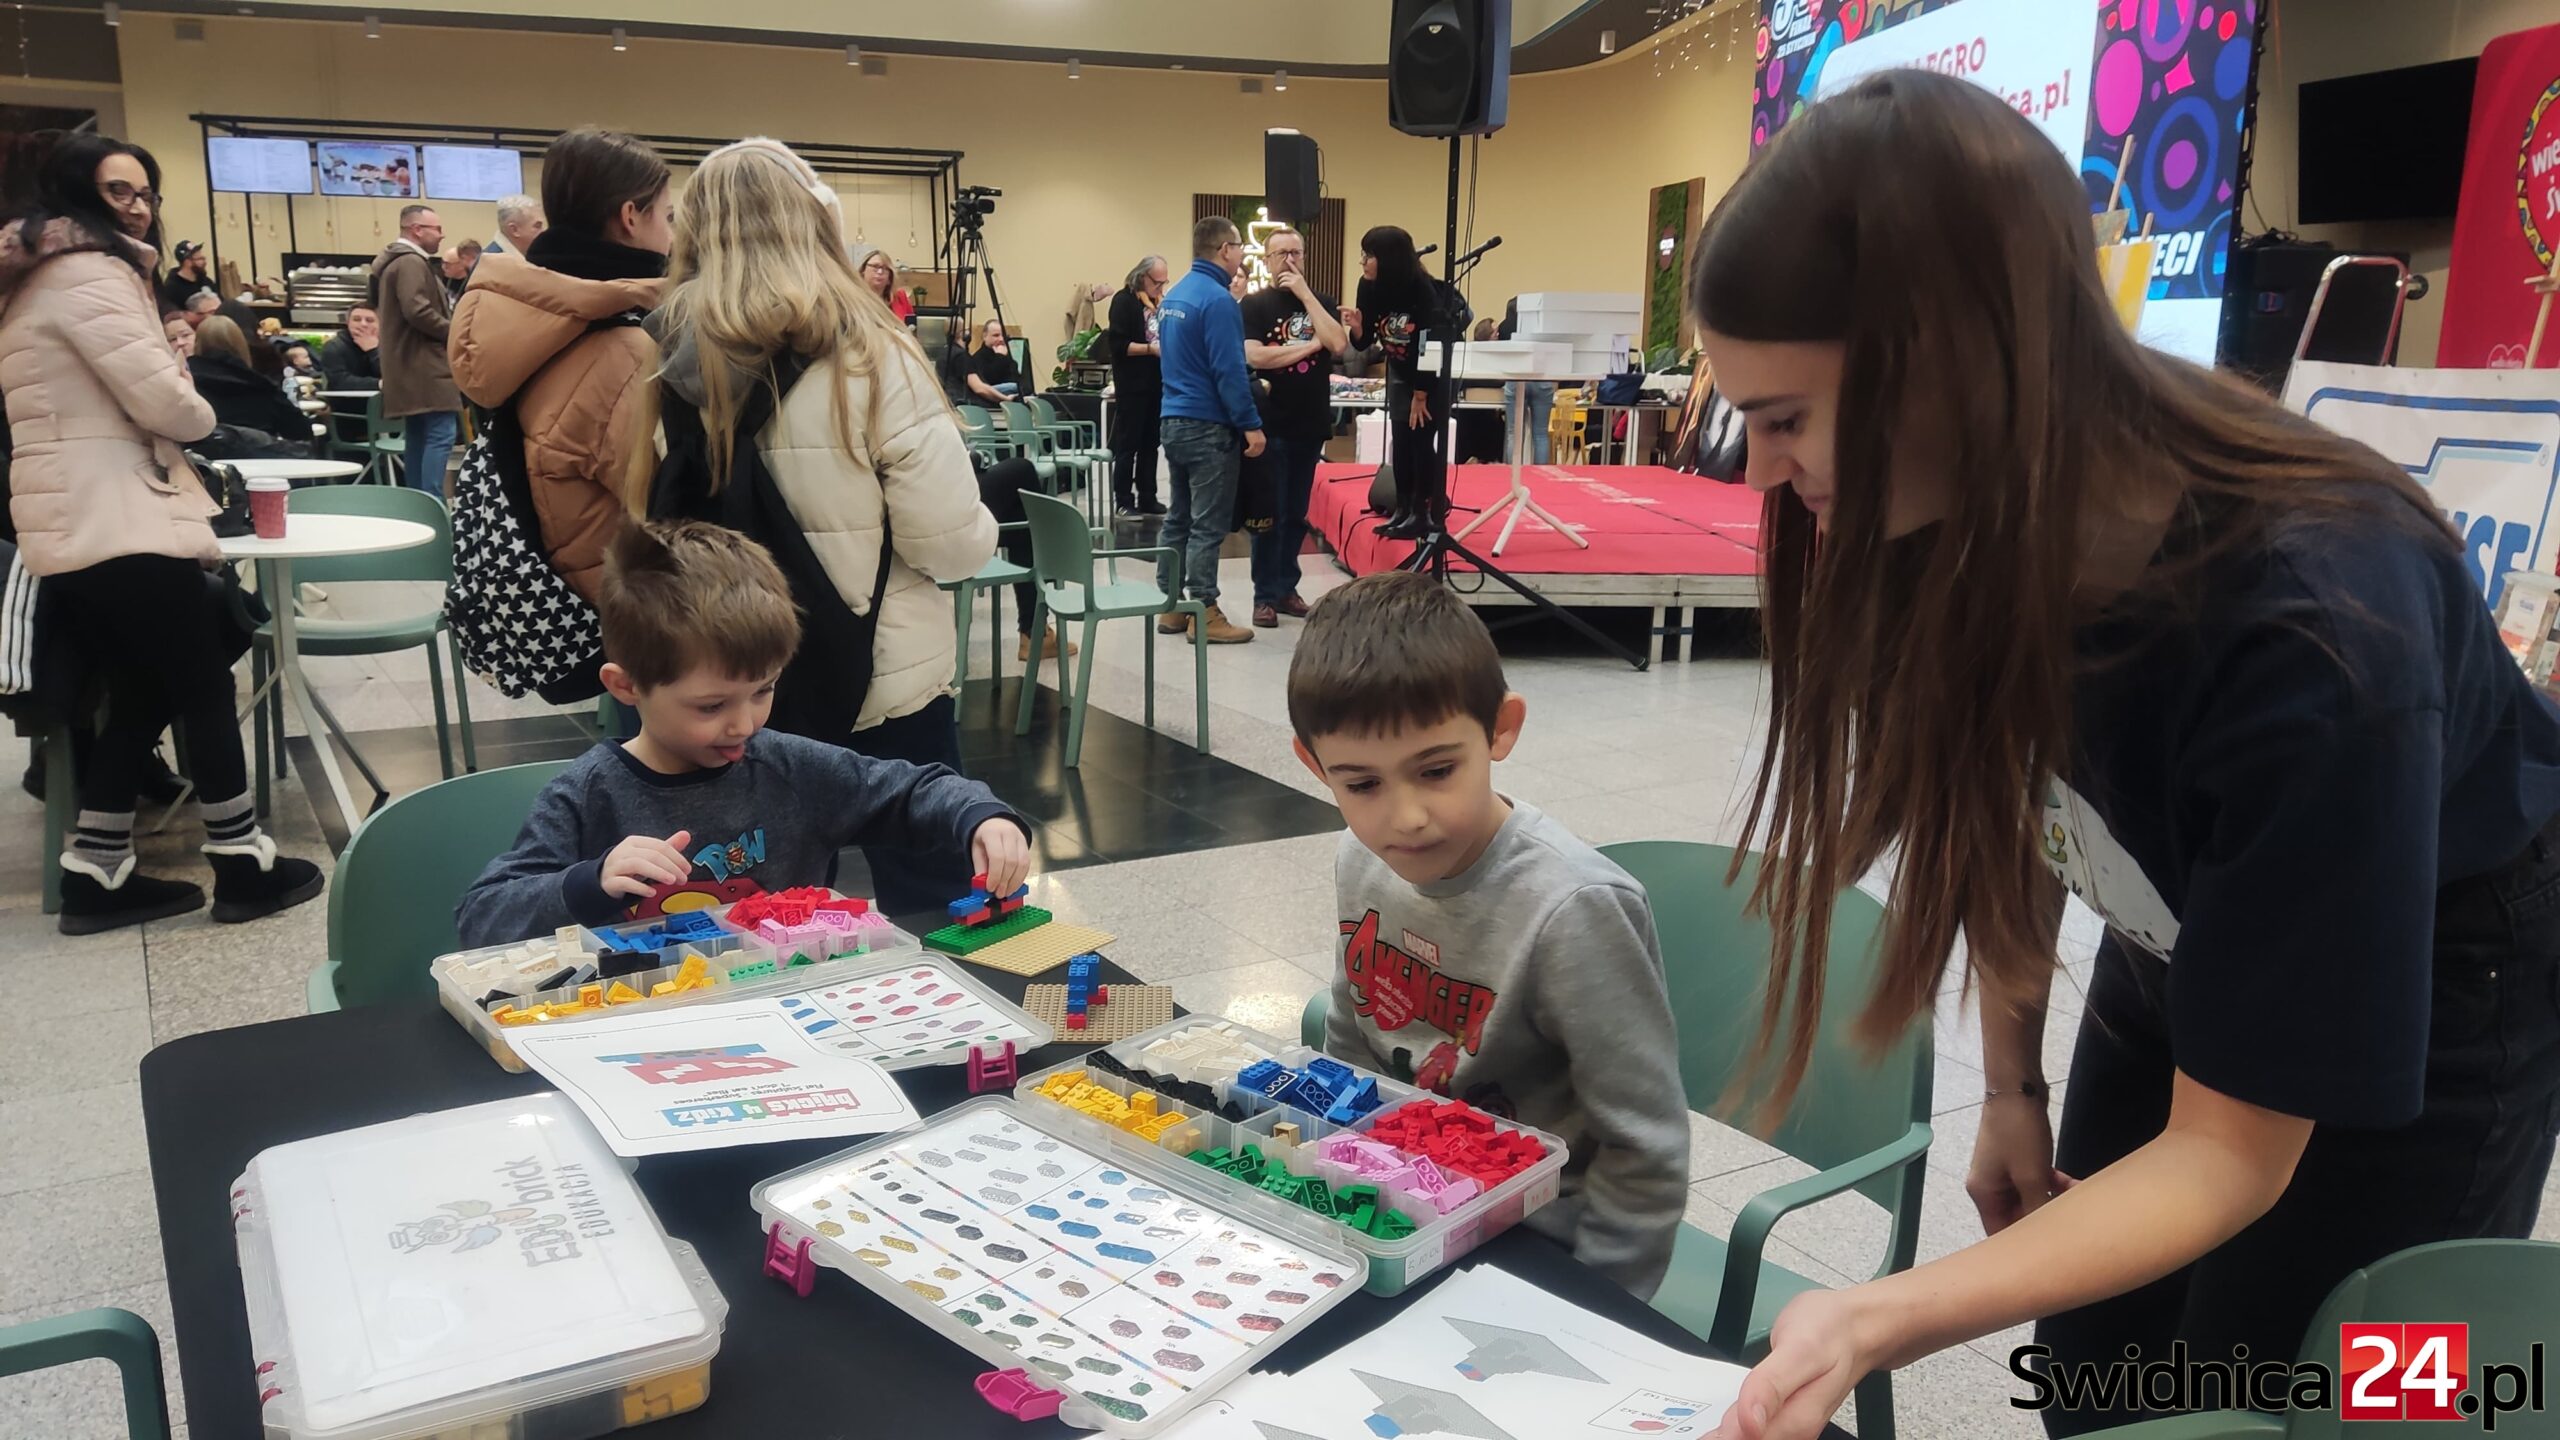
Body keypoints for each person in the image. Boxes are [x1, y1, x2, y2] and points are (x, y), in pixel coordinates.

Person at [1685, 72, 2560, 1440]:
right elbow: (2018, 798)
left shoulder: (2321, 634)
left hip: (2446, 978)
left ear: (1957, 365)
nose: (1756, 471)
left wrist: (1877, 1314)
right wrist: (2012, 1086)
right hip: (2174, 930)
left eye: (1785, 418)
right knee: (2096, 1368)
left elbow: (2230, 1155)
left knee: (2305, 1391)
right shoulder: (1960, 502)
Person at [1290, 570, 1689, 1295]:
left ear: (1501, 729)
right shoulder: (1361, 857)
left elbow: (1644, 1148)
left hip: (1537, 1242)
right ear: (1315, 765)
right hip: (1396, 1205)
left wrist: (1600, 1309)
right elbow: (1351, 1033)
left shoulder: (1574, 908)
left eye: (1437, 770)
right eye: (1363, 784)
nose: (1406, 817)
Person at [646, 137, 1000, 913]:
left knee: (760, 909)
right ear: (816, 223)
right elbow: (947, 543)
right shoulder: (874, 354)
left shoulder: (662, 357)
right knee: (935, 898)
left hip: (733, 681)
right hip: (880, 675)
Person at [0, 133, 324, 933]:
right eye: (119, 191)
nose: (139, 206)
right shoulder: (90, 271)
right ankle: (243, 863)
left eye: (146, 191)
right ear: (76, 192)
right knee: (203, 683)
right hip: (120, 512)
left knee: (144, 684)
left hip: (78, 514)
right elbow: (169, 408)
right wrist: (189, 392)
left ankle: (96, 868)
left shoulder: (40, 276)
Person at [455, 520, 1031, 945]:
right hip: (647, 1033)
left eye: (763, 690)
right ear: (626, 687)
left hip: (795, 1017)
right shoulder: (586, 795)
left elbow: (912, 790)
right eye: (711, 705)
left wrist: (982, 817)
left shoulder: (790, 768)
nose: (745, 722)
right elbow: (483, 917)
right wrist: (590, 881)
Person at [451, 126, 671, 602]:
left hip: (541, 598)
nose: (673, 237)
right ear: (631, 217)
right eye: (668, 217)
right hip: (613, 610)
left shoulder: (527, 319)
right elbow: (667, 508)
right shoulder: (623, 350)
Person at [1153, 215, 1264, 645]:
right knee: (1207, 525)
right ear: (1224, 250)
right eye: (1239, 246)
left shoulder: (1176, 295)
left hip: (1173, 419)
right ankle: (1205, 610)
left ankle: (1171, 605)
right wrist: (1250, 424)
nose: (1241, 254)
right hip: (1208, 425)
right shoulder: (1218, 301)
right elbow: (1229, 370)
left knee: (1178, 517)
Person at [1238, 226, 1347, 628]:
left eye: (1295, 252)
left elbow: (1339, 344)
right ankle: (1264, 595)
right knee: (1269, 514)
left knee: (1297, 514)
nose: (1288, 260)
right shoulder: (1253, 305)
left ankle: (1287, 588)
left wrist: (1305, 295)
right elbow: (1255, 357)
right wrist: (1312, 345)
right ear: (1266, 260)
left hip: (1310, 422)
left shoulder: (1322, 301)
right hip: (1271, 423)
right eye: (1280, 253)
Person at [1349, 225, 1452, 538]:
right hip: (1400, 373)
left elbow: (1428, 344)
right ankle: (1403, 508)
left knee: (1420, 441)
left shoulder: (1422, 290)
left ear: (1389, 259)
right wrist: (1357, 327)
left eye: (1369, 255)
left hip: (1429, 376)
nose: (1363, 262)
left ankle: (1425, 510)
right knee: (1401, 441)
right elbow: (1364, 341)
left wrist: (1421, 394)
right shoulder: (1368, 286)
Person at [371, 203, 459, 493]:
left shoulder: (393, 263)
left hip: (405, 366)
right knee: (441, 434)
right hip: (426, 366)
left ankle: (418, 504)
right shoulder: (411, 262)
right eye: (437, 229)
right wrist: (455, 331)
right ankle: (432, 503)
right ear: (417, 230)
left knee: (418, 436)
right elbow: (417, 310)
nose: (442, 235)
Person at [1105, 254, 1168, 514]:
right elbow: (1118, 346)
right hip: (1132, 385)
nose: (1160, 288)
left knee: (1151, 444)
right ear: (1142, 277)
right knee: (1128, 445)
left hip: (1156, 383)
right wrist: (1150, 349)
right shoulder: (1124, 301)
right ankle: (1123, 500)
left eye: (1164, 283)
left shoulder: (1158, 304)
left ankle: (1147, 496)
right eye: (1157, 282)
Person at [188, 315, 312, 448]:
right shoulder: (262, 387)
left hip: (198, 459)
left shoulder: (186, 386)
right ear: (241, 345)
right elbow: (301, 431)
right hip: (258, 458)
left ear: (197, 344)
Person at [1497, 297, 1557, 468]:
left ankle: (1512, 470)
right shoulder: (1541, 327)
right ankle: (1541, 471)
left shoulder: (1504, 327)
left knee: (1513, 433)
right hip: (1541, 378)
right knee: (1540, 434)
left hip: (1515, 378)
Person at [321, 302, 382, 390]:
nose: (363, 324)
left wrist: (373, 351)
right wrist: (378, 384)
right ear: (348, 323)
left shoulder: (388, 346)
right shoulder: (334, 346)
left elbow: (393, 374)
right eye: (357, 319)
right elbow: (339, 381)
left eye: (370, 320)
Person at [853, 243, 916, 325]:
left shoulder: (900, 297)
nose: (880, 272)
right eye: (875, 266)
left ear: (889, 278)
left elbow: (912, 328)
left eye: (885, 268)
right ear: (863, 271)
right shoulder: (853, 298)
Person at [964, 318, 1021, 403]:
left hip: (1012, 397)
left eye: (1003, 335)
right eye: (996, 335)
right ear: (985, 336)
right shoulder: (977, 358)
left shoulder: (1006, 354)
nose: (1001, 339)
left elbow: (1018, 378)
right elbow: (989, 380)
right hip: (991, 397)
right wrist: (1000, 357)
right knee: (1015, 387)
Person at [158, 237, 213, 314]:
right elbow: (171, 314)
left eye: (204, 258)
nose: (205, 262)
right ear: (187, 262)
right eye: (200, 259)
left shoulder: (206, 281)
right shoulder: (172, 288)